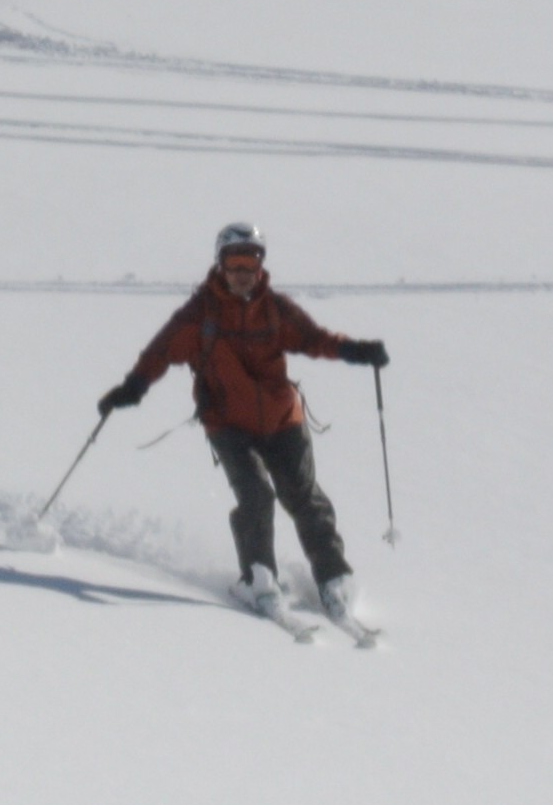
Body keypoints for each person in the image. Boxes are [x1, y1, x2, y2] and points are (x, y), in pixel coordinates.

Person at [96, 222, 389, 622]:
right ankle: (258, 577)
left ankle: (333, 578)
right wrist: (133, 387)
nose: (241, 272)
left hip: (283, 419)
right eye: (234, 262)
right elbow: (160, 353)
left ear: (260, 265)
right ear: (220, 265)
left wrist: (356, 350)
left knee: (303, 497)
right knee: (255, 496)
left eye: (249, 261)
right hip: (228, 424)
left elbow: (314, 339)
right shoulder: (198, 316)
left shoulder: (275, 309)